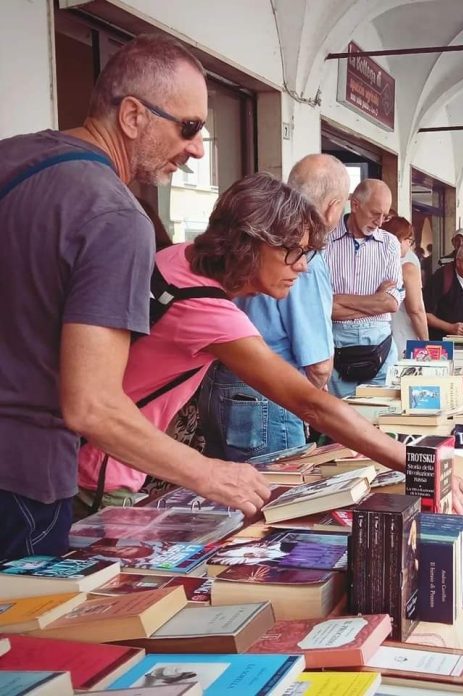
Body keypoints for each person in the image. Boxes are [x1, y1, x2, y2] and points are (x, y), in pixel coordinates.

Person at [0, 34, 273, 561]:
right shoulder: (115, 214)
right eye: (190, 127)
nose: (196, 148)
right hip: (22, 484)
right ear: (131, 116)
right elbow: (93, 405)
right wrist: (211, 474)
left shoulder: (13, 157)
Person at [78, 173, 463, 518]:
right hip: (101, 470)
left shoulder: (177, 259)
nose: (303, 266)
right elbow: (309, 403)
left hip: (96, 456)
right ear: (250, 242)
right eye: (294, 251)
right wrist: (418, 461)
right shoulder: (208, 308)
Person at [198, 154, 350, 460]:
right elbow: (319, 366)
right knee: (277, 501)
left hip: (217, 384)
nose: (301, 265)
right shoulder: (301, 255)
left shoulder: (261, 244)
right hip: (269, 395)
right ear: (334, 206)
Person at [325, 179, 402, 398]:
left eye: (385, 216)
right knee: (340, 422)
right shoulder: (325, 241)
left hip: (381, 347)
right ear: (355, 204)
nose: (379, 222)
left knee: (380, 422)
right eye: (375, 213)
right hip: (336, 345)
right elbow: (322, 307)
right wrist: (375, 302)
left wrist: (339, 300)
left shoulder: (390, 243)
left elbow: (391, 303)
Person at [382, 216, 429, 356]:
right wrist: (426, 342)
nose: (410, 245)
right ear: (400, 240)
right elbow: (416, 310)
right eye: (409, 240)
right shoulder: (407, 268)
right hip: (404, 341)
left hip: (378, 342)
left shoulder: (373, 265)